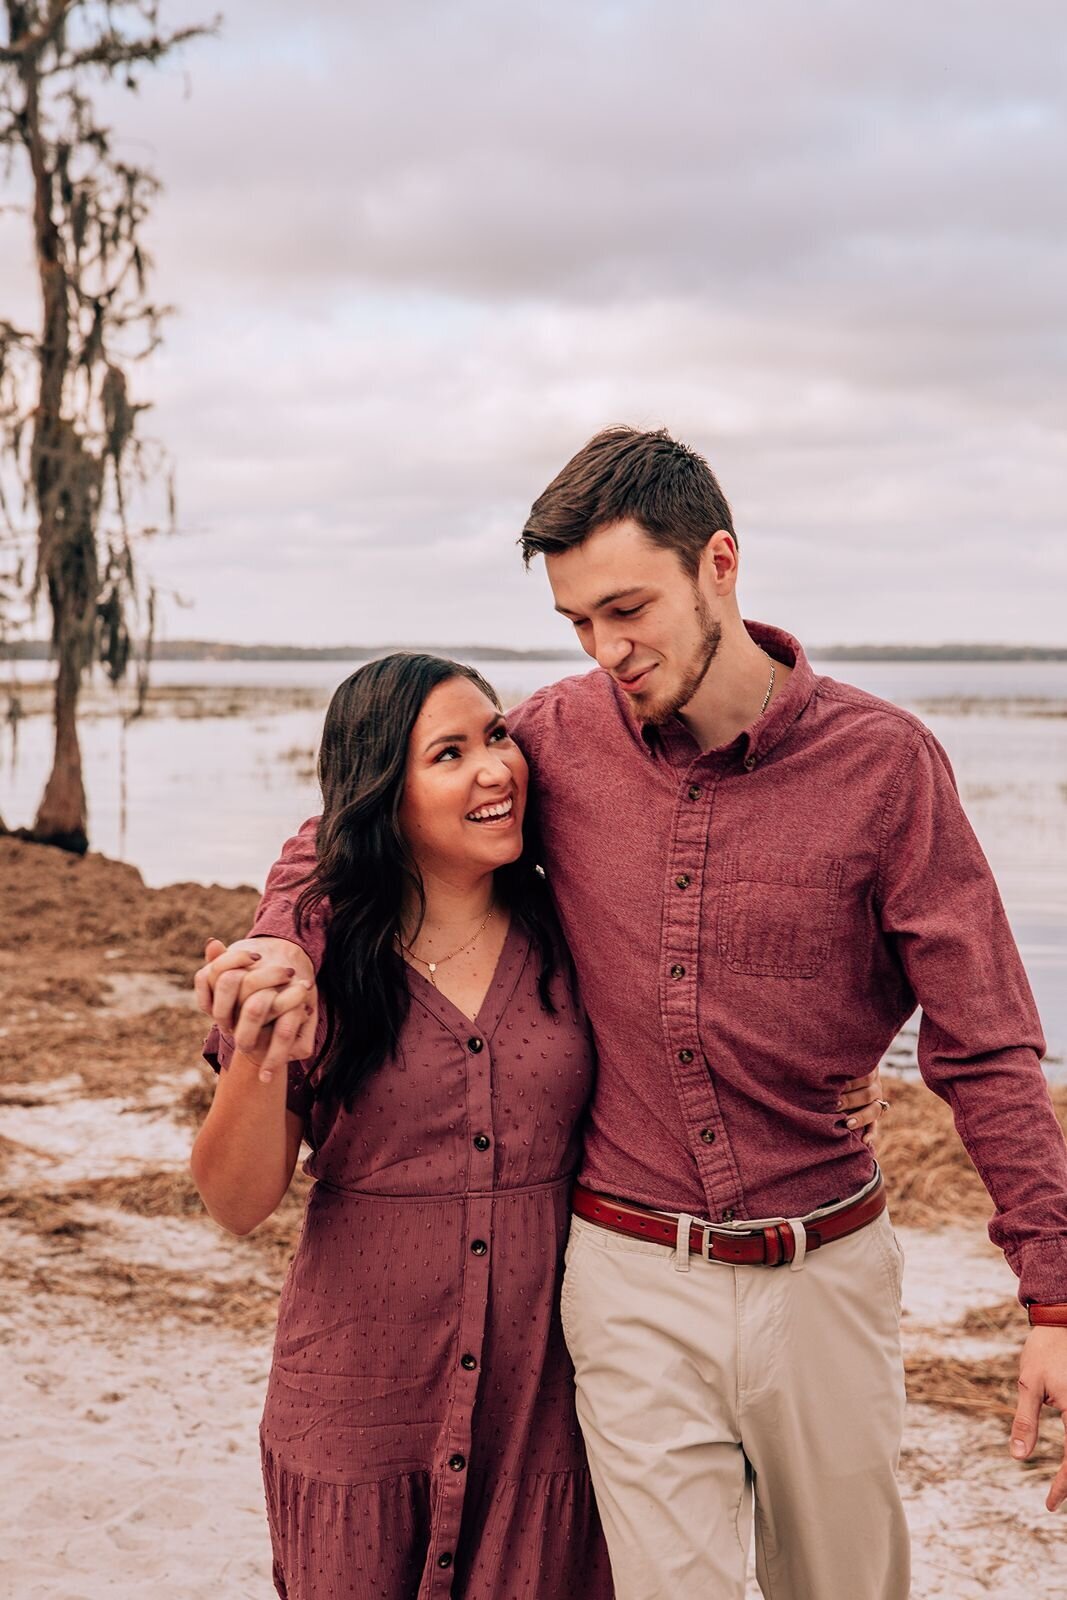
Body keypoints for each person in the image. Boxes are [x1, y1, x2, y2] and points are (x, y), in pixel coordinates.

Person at [193, 427, 1062, 1600]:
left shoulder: (887, 767)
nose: (607, 650)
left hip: (827, 1265)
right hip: (625, 1273)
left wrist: (1050, 1292)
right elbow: (347, 827)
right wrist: (276, 940)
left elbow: (988, 1041)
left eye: (626, 609)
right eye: (577, 624)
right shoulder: (554, 738)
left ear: (719, 562)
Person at [190, 653, 616, 1600]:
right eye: (449, 754)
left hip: (548, 1405)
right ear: (384, 791)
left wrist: (821, 1090)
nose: (495, 768)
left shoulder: (576, 928)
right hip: (358, 1395)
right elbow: (235, 1201)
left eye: (497, 735)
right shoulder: (310, 957)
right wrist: (261, 1056)